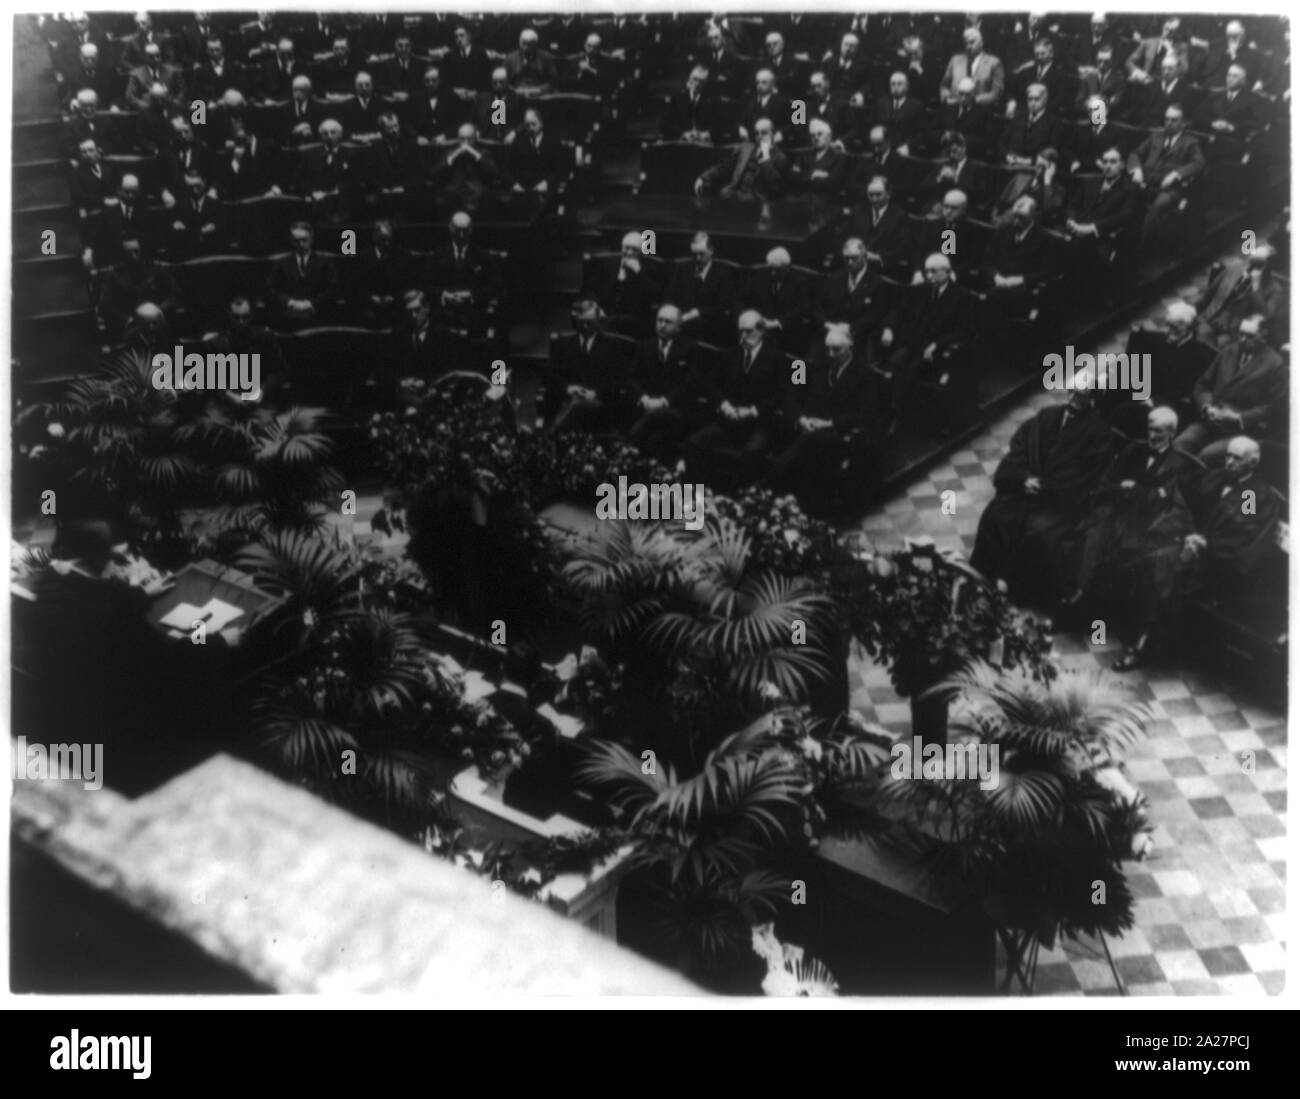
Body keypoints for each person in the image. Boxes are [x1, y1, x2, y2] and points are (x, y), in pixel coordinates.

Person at [1111, 435, 1281, 671]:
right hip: (1191, 546)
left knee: (1166, 571)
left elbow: (1243, 533)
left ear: (1252, 463)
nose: (1229, 462)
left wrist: (1205, 544)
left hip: (1220, 565)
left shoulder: (1252, 496)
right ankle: (1145, 633)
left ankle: (1145, 645)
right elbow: (1186, 499)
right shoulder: (1217, 476)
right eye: (1228, 456)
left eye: (1237, 459)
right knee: (1150, 560)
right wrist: (1188, 533)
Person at [970, 372, 1116, 595]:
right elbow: (1020, 447)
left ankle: (1008, 585)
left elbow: (1082, 477)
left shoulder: (1099, 432)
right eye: (1072, 392)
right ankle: (979, 573)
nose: (1073, 398)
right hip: (1026, 489)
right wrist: (1022, 479)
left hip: (1058, 504)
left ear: (1093, 398)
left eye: (1081, 395)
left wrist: (1044, 488)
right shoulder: (1048, 415)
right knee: (996, 514)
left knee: (1037, 533)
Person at [1063, 405, 1198, 607]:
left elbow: (1165, 503)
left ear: (1172, 433)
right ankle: (1076, 594)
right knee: (1091, 537)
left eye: (1158, 431)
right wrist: (1126, 489)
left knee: (1113, 554)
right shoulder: (1133, 448)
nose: (1152, 436)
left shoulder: (1178, 465)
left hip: (1142, 525)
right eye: (1150, 429)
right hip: (1113, 512)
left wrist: (1135, 490)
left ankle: (1082, 601)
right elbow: (1107, 482)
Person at [762, 324, 882, 508]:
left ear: (850, 347)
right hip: (805, 426)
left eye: (837, 349)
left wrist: (827, 424)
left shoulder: (866, 375)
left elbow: (867, 414)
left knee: (808, 442)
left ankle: (765, 489)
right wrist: (800, 418)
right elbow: (790, 395)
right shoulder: (806, 364)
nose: (831, 354)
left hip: (837, 436)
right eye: (828, 349)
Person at [683, 311, 788, 489]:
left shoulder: (779, 359)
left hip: (758, 423)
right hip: (729, 420)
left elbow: (783, 394)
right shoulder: (731, 354)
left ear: (761, 330)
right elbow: (710, 383)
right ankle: (698, 495)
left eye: (749, 332)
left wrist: (753, 411)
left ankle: (734, 499)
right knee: (694, 443)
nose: (744, 337)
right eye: (741, 332)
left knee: (752, 453)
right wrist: (724, 405)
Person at [1175, 315, 1286, 462]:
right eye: (1241, 333)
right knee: (1179, 445)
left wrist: (1239, 418)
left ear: (1264, 337)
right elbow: (1203, 384)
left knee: (1205, 456)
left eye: (1249, 336)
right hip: (1211, 420)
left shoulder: (1275, 364)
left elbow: (1271, 407)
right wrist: (1206, 406)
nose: (1242, 339)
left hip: (1241, 431)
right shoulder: (1228, 351)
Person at [627, 304, 710, 459]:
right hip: (647, 404)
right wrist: (644, 398)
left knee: (652, 420)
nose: (662, 325)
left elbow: (690, 384)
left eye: (668, 322)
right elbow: (631, 378)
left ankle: (625, 454)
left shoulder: (691, 348)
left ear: (679, 327)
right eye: (659, 320)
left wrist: (664, 402)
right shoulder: (645, 346)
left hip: (676, 408)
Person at [547, 300, 632, 432]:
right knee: (575, 404)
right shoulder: (562, 344)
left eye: (590, 323)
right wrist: (568, 388)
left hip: (600, 403)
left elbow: (618, 380)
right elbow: (551, 376)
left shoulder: (612, 347)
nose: (586, 327)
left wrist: (595, 393)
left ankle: (552, 433)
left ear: (598, 321)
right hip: (569, 399)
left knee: (579, 406)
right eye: (582, 322)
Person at [1126, 104, 1205, 246]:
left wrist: (1177, 174)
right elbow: (1135, 153)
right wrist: (1136, 169)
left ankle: (1138, 246)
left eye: (1174, 120)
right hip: (1146, 183)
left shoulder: (1190, 142)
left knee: (1157, 207)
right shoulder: (1156, 136)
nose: (1169, 123)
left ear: (1183, 123)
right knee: (1126, 198)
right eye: (1167, 119)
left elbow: (1199, 163)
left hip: (1170, 189)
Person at [423, 211, 504, 336]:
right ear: (450, 228)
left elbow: (495, 285)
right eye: (457, 230)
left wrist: (471, 296)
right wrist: (444, 295)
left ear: (471, 230)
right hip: (443, 313)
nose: (461, 235)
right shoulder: (438, 255)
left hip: (473, 312)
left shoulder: (482, 256)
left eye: (465, 230)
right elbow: (426, 283)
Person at [1196, 245, 1288, 348]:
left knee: (1220, 345)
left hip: (1233, 333)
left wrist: (1256, 286)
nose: (1250, 267)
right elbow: (1209, 294)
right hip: (1209, 319)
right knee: (1202, 334)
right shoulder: (1233, 269)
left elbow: (1265, 315)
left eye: (1258, 264)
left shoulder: (1276, 290)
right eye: (1251, 261)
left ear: (1269, 267)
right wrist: (1195, 315)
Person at [265, 221, 342, 327]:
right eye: (297, 241)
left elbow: (334, 289)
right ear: (291, 241)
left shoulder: (325, 262)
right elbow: (270, 288)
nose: (301, 244)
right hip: (288, 317)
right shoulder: (281, 263)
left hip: (318, 317)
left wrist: (311, 304)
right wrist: (290, 302)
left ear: (312, 240)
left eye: (304, 240)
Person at [666, 232, 737, 345]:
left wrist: (698, 312)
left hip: (709, 327)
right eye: (694, 254)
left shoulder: (723, 274)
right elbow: (670, 296)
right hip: (681, 325)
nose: (698, 258)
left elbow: (723, 307)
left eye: (701, 254)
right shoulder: (682, 269)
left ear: (711, 251)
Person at [694, 117, 787, 202]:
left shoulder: (779, 156)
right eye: (757, 133)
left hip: (756, 199)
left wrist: (765, 160)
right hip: (733, 193)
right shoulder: (745, 148)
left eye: (764, 133)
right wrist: (704, 177)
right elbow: (724, 166)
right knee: (723, 195)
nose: (760, 136)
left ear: (772, 133)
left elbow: (776, 185)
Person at [743, 247, 810, 354]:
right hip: (759, 324)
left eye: (777, 270)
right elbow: (745, 298)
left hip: (786, 329)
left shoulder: (800, 281)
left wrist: (778, 322)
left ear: (787, 267)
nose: (773, 273)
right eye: (770, 269)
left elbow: (803, 308)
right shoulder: (760, 275)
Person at [430, 122, 501, 209]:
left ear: (475, 138)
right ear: (458, 138)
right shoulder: (449, 152)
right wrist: (452, 157)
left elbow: (494, 174)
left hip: (477, 194)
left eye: (469, 139)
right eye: (462, 139)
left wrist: (475, 154)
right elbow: (434, 175)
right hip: (453, 193)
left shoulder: (484, 153)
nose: (466, 143)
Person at [940, 28, 1004, 106]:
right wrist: (946, 98)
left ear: (981, 43)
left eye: (972, 42)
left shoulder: (994, 63)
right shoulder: (955, 60)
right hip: (954, 109)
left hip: (980, 111)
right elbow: (944, 85)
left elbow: (996, 93)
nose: (968, 46)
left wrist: (973, 101)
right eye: (965, 44)